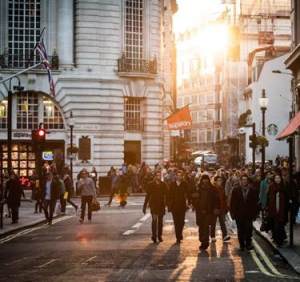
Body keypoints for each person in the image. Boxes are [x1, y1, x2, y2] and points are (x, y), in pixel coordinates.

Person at [230, 175, 259, 251]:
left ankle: (248, 244)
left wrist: (255, 214)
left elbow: (255, 203)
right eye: (243, 180)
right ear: (240, 181)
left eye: (245, 180)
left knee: (249, 230)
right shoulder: (236, 190)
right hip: (239, 214)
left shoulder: (253, 190)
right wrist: (232, 214)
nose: (244, 181)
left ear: (247, 181)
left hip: (249, 214)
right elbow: (232, 203)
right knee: (240, 230)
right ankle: (242, 245)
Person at [191, 174, 219, 251]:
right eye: (204, 179)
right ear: (201, 180)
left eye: (206, 179)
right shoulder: (198, 188)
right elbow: (193, 197)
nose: (205, 181)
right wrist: (195, 204)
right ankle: (202, 240)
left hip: (209, 211)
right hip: (199, 211)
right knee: (201, 226)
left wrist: (216, 208)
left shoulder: (213, 189)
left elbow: (216, 200)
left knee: (206, 227)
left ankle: (205, 242)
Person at [143, 171, 167, 243]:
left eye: (159, 175)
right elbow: (147, 196)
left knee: (160, 222)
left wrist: (168, 204)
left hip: (161, 205)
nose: (158, 177)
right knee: (154, 220)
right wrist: (144, 206)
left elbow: (167, 194)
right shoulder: (151, 184)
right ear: (155, 176)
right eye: (157, 175)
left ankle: (159, 236)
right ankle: (154, 236)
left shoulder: (163, 184)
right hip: (153, 205)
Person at [168, 170, 190, 244]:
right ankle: (178, 237)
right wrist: (169, 205)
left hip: (182, 205)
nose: (179, 177)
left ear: (182, 176)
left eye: (180, 175)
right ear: (176, 176)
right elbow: (169, 195)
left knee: (181, 222)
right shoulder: (172, 184)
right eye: (178, 175)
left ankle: (179, 233)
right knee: (176, 222)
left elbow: (188, 193)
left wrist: (188, 202)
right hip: (174, 206)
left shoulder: (185, 184)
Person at [266, 173, 288, 246]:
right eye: (276, 178)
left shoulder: (284, 187)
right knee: (275, 226)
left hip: (282, 210)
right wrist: (267, 207)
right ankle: (277, 239)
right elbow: (268, 198)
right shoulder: (271, 187)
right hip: (273, 210)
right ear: (274, 179)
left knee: (280, 226)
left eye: (279, 178)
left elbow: (287, 199)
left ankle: (280, 240)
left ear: (281, 179)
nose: (277, 179)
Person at [211, 176, 230, 242]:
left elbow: (224, 198)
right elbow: (211, 200)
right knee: (213, 223)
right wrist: (213, 208)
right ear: (215, 181)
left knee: (222, 223)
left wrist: (226, 207)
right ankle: (212, 236)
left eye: (221, 180)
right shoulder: (212, 189)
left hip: (221, 208)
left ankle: (224, 236)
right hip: (215, 209)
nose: (220, 182)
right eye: (218, 180)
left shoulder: (222, 188)